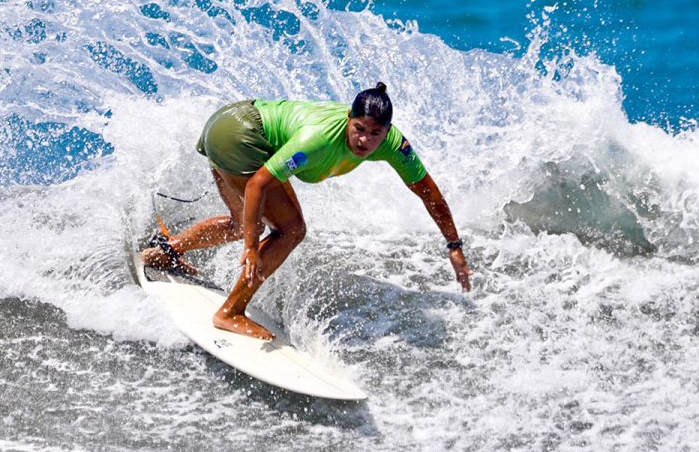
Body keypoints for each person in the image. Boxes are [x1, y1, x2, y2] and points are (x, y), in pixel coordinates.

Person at [142, 82, 471, 341]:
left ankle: (166, 252)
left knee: (241, 222)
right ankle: (230, 312)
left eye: (375, 134)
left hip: (231, 121)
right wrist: (252, 248)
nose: (364, 140)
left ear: (387, 131)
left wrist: (454, 245)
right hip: (238, 133)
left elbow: (429, 193)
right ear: (349, 118)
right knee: (291, 230)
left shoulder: (394, 146)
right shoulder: (319, 140)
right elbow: (257, 185)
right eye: (358, 128)